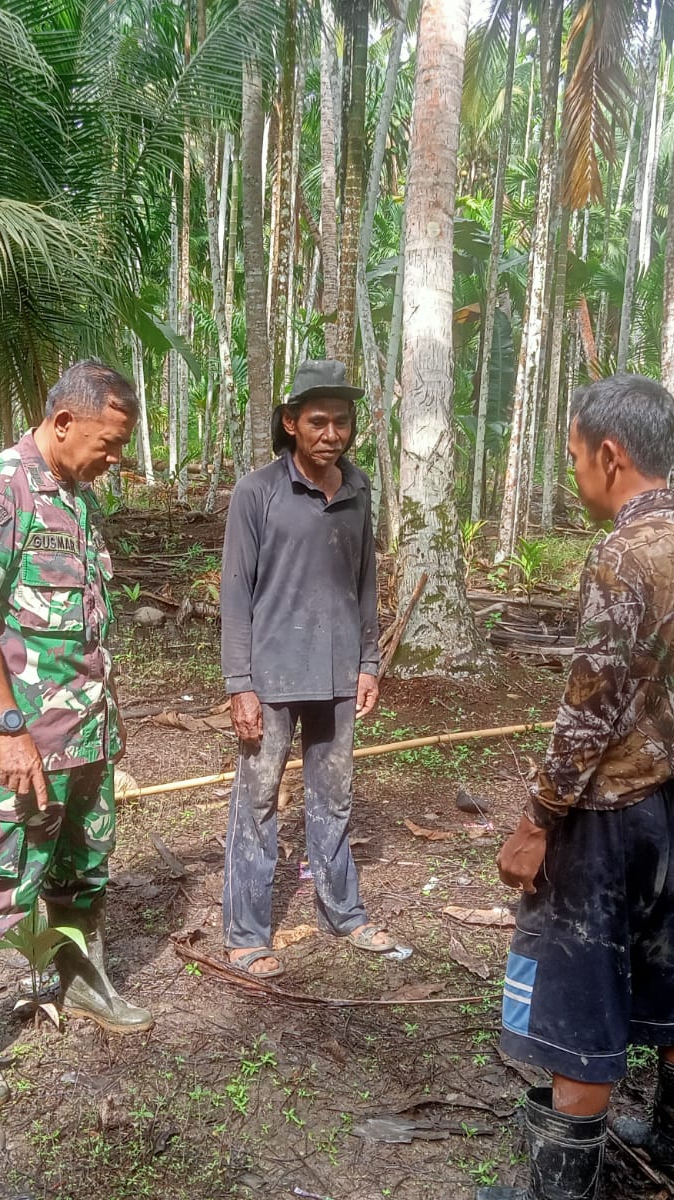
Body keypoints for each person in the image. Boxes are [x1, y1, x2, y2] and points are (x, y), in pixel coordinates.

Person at [485, 374, 674, 1200]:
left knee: (581, 997)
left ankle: (562, 1187)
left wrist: (536, 820)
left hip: (608, 817)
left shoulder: (623, 556)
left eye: (573, 458)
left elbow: (590, 710)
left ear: (611, 454)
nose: (574, 475)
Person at [0, 360, 151, 1111]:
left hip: (84, 732)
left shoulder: (80, 501)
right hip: (20, 740)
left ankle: (81, 979)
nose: (115, 459)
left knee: (82, 868)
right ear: (63, 422)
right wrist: (9, 730)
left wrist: (108, 723)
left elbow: (84, 626)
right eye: (109, 442)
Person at [218, 359, 401, 979]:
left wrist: (370, 662)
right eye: (317, 421)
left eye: (342, 422)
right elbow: (236, 592)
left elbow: (366, 581)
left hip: (339, 673)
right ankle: (246, 933)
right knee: (259, 800)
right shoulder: (258, 492)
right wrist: (238, 684)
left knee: (335, 796)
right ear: (291, 423)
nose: (332, 434)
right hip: (270, 677)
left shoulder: (358, 488)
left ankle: (342, 912)